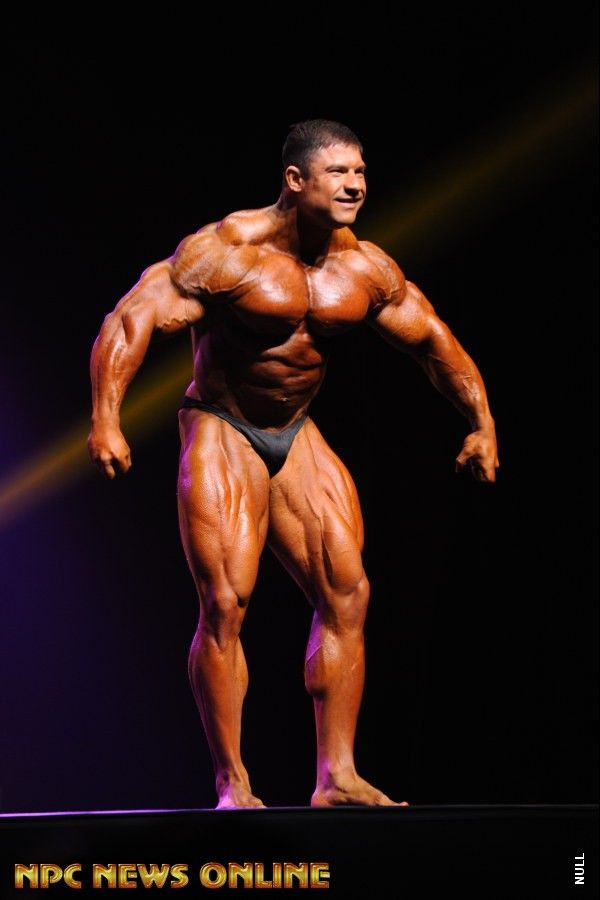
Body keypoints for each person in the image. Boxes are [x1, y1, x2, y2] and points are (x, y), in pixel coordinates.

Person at [87, 119, 499, 810]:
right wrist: (106, 417)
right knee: (225, 602)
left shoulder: (363, 268)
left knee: (348, 593)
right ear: (295, 179)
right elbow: (132, 318)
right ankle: (232, 782)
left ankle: (337, 776)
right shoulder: (227, 250)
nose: (355, 184)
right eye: (339, 172)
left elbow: (432, 340)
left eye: (360, 171)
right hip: (222, 423)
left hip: (295, 431)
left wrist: (481, 422)